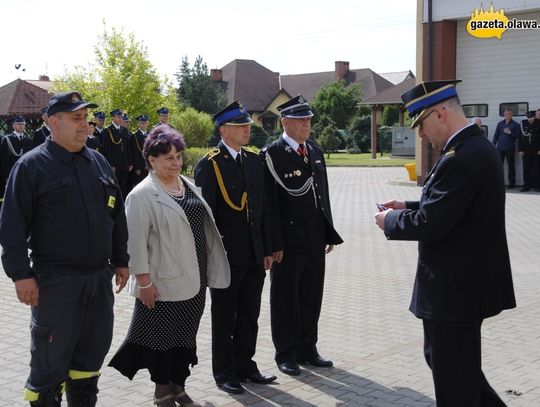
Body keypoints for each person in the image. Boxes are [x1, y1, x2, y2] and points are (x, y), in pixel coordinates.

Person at [374, 80, 516, 407]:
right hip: (462, 288)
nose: (421, 134)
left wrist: (390, 221)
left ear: (439, 114)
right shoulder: (472, 148)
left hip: (455, 291)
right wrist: (406, 207)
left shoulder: (462, 156)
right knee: (457, 370)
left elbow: (433, 222)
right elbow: (452, 205)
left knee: (455, 383)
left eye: (421, 124)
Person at [0, 91, 130, 407]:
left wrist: (121, 260)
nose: (84, 125)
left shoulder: (98, 162)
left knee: (88, 365)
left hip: (98, 282)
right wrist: (20, 275)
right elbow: (12, 226)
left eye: (85, 118)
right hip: (56, 284)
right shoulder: (32, 166)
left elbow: (116, 215)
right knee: (49, 367)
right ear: (53, 122)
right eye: (76, 118)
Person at [109, 125, 230, 407]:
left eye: (178, 156)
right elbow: (134, 244)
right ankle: (162, 391)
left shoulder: (187, 184)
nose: (176, 162)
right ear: (152, 160)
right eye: (169, 158)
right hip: (161, 282)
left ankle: (179, 386)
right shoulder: (141, 195)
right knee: (160, 340)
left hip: (194, 277)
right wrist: (145, 283)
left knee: (185, 337)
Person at [194, 101, 276, 394]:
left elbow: (262, 209)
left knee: (249, 315)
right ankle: (224, 372)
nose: (246, 131)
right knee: (225, 316)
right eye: (240, 126)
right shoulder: (210, 164)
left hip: (254, 254)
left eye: (247, 126)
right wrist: (208, 258)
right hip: (227, 256)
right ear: (223, 130)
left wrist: (268, 247)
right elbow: (205, 217)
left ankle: (245, 364)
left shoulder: (253, 161)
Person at [261, 95, 343, 376]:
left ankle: (308, 348)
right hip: (287, 242)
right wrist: (274, 243)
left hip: (314, 238)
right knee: (285, 299)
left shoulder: (315, 152)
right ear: (285, 122)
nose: (307, 124)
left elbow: (322, 195)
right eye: (301, 120)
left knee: (311, 295)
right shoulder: (272, 154)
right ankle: (285, 353)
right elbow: (269, 205)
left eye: (308, 119)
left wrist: (327, 230)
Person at [0, 115, 34, 209]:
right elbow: (4, 160)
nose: (21, 126)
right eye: (18, 124)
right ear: (13, 125)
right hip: (12, 172)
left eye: (23, 124)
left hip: (26, 172)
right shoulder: (7, 139)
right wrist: (7, 176)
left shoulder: (28, 140)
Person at [101, 108, 133, 198]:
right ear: (113, 118)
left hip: (125, 163)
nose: (120, 119)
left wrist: (130, 162)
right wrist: (111, 164)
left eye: (121, 117)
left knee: (124, 186)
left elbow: (127, 147)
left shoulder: (124, 130)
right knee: (115, 186)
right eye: (118, 117)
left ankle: (123, 206)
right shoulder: (107, 131)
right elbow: (107, 149)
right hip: (115, 164)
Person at [493, 108, 520, 188]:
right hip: (500, 148)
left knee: (511, 166)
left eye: (509, 114)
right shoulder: (500, 124)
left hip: (510, 148)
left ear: (512, 115)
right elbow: (496, 135)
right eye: (506, 114)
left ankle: (512, 184)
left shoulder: (516, 124)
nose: (507, 115)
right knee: (498, 166)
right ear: (504, 114)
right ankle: (499, 183)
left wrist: (509, 132)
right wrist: (493, 146)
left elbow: (518, 136)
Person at [518, 111, 538, 192]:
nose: (530, 119)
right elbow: (520, 138)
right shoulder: (523, 123)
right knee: (526, 169)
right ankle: (526, 186)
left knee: (536, 169)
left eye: (532, 117)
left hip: (536, 151)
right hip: (525, 151)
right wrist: (520, 149)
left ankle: (537, 186)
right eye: (528, 118)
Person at [128, 114, 149, 190]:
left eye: (145, 123)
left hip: (148, 166)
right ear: (138, 124)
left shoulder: (150, 135)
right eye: (142, 123)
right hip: (139, 167)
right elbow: (134, 152)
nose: (143, 125)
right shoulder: (134, 136)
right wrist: (137, 167)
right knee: (139, 187)